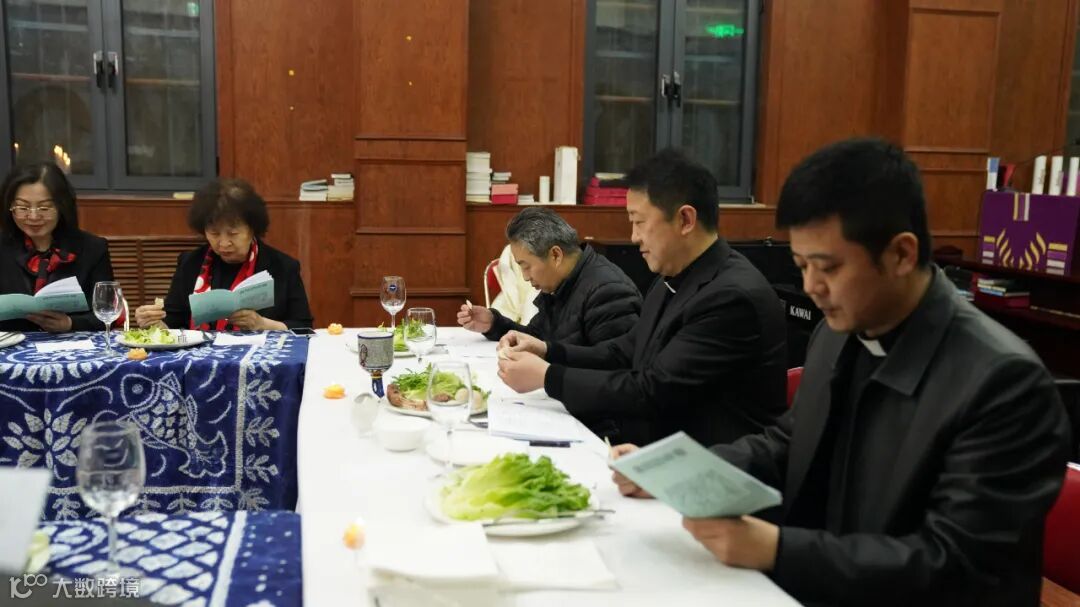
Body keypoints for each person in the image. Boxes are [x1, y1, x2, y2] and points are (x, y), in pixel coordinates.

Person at [611, 139, 1071, 607]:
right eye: (801, 265)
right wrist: (681, 472)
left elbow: (954, 568)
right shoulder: (838, 332)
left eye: (827, 267)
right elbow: (791, 442)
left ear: (901, 254)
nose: (811, 287)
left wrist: (776, 549)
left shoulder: (1003, 384)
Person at [497, 149, 787, 446]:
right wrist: (547, 350)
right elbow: (623, 352)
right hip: (655, 448)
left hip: (710, 461)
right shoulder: (669, 280)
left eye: (639, 222)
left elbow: (653, 390)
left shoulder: (731, 297)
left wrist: (548, 376)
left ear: (685, 219)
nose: (634, 237)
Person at [134, 178, 313, 331]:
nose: (224, 243)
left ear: (252, 229)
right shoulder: (191, 263)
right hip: (201, 357)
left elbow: (304, 327)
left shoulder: (283, 266)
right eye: (214, 233)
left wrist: (262, 324)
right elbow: (173, 325)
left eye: (233, 234)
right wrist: (153, 323)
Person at [457, 207, 641, 346]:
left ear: (555, 255)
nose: (525, 277)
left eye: (526, 266)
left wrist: (546, 372)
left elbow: (612, 371)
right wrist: (493, 324)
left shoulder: (608, 292)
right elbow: (537, 338)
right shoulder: (562, 282)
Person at [0, 162, 114, 333]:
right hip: (9, 346)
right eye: (22, 207)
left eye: (44, 208)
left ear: (62, 206)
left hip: (72, 345)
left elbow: (108, 313)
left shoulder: (93, 248)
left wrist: (70, 323)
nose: (33, 216)